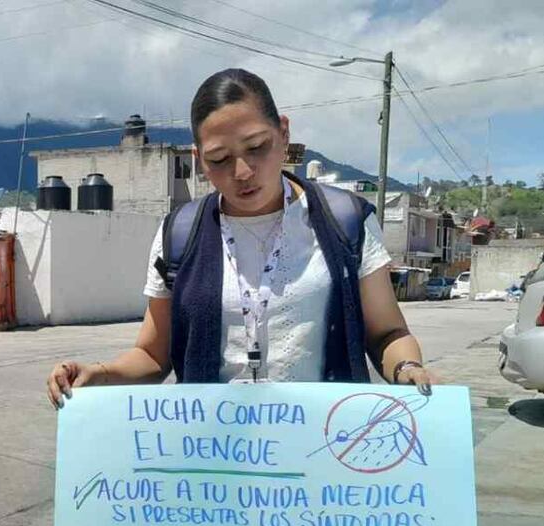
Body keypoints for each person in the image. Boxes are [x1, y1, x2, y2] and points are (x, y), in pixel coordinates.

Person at [47, 68, 437, 406]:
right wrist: (98, 374)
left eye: (256, 147)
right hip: (220, 462)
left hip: (323, 458)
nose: (243, 171)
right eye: (219, 159)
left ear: (283, 133)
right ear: (200, 160)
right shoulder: (178, 235)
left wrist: (407, 367)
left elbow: (388, 332)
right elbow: (152, 354)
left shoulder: (345, 222)